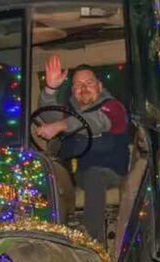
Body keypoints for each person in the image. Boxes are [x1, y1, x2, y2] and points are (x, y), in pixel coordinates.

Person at [35, 55, 130, 243]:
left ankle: (92, 240)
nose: (84, 88)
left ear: (100, 86)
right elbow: (48, 115)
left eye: (89, 83)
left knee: (94, 174)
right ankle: (50, 237)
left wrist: (60, 126)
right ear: (73, 91)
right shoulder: (70, 112)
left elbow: (95, 121)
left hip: (111, 172)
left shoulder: (113, 107)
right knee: (48, 175)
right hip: (76, 174)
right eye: (78, 85)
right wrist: (51, 88)